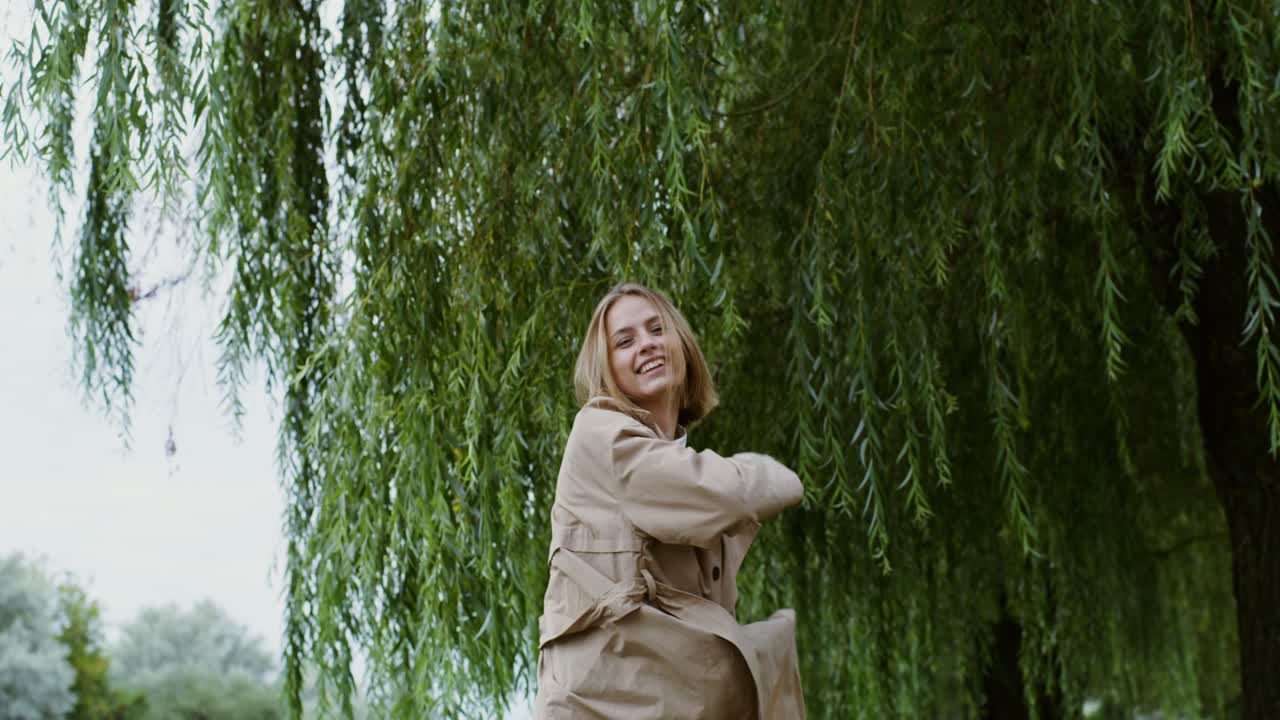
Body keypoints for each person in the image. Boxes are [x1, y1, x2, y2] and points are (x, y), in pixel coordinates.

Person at [534, 282, 806, 719]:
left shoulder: (670, 459)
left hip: (661, 697)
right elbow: (731, 494)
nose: (647, 345)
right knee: (768, 653)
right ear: (606, 367)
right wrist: (769, 471)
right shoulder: (601, 435)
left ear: (681, 343)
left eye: (656, 330)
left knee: (769, 654)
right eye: (625, 340)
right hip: (603, 704)